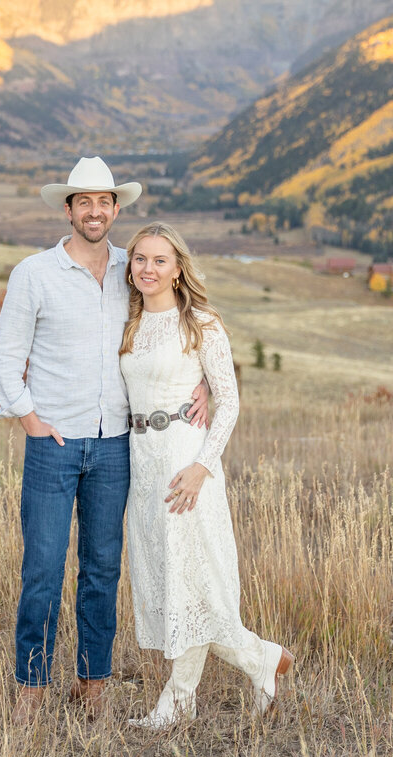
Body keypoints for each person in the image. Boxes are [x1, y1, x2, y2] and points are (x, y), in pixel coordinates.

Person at [0, 157, 208, 725]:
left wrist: (204, 377)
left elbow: (178, 324)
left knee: (102, 569)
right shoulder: (33, 274)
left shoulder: (133, 270)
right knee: (41, 569)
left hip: (116, 447)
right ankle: (30, 689)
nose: (93, 210)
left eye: (103, 201)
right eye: (82, 201)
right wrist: (29, 418)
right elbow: (5, 357)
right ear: (68, 209)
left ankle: (92, 685)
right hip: (54, 445)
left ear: (116, 208)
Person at [119, 221, 291, 729]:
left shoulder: (201, 324)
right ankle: (262, 658)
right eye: (140, 259)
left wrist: (201, 466)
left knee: (191, 581)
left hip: (184, 459)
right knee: (170, 580)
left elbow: (230, 400)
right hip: (141, 461)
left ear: (178, 270)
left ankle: (179, 700)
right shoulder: (127, 321)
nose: (148, 269)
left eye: (160, 261)